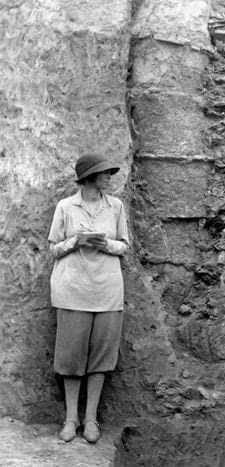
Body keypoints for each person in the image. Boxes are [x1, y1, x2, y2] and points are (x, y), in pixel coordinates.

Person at [48, 153, 130, 443]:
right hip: (72, 291)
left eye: (109, 173)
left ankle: (91, 418)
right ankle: (71, 418)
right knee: (71, 357)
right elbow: (54, 248)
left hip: (107, 291)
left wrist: (105, 243)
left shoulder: (116, 207)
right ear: (89, 178)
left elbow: (123, 246)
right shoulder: (66, 207)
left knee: (101, 357)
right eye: (104, 173)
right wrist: (76, 242)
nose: (109, 177)